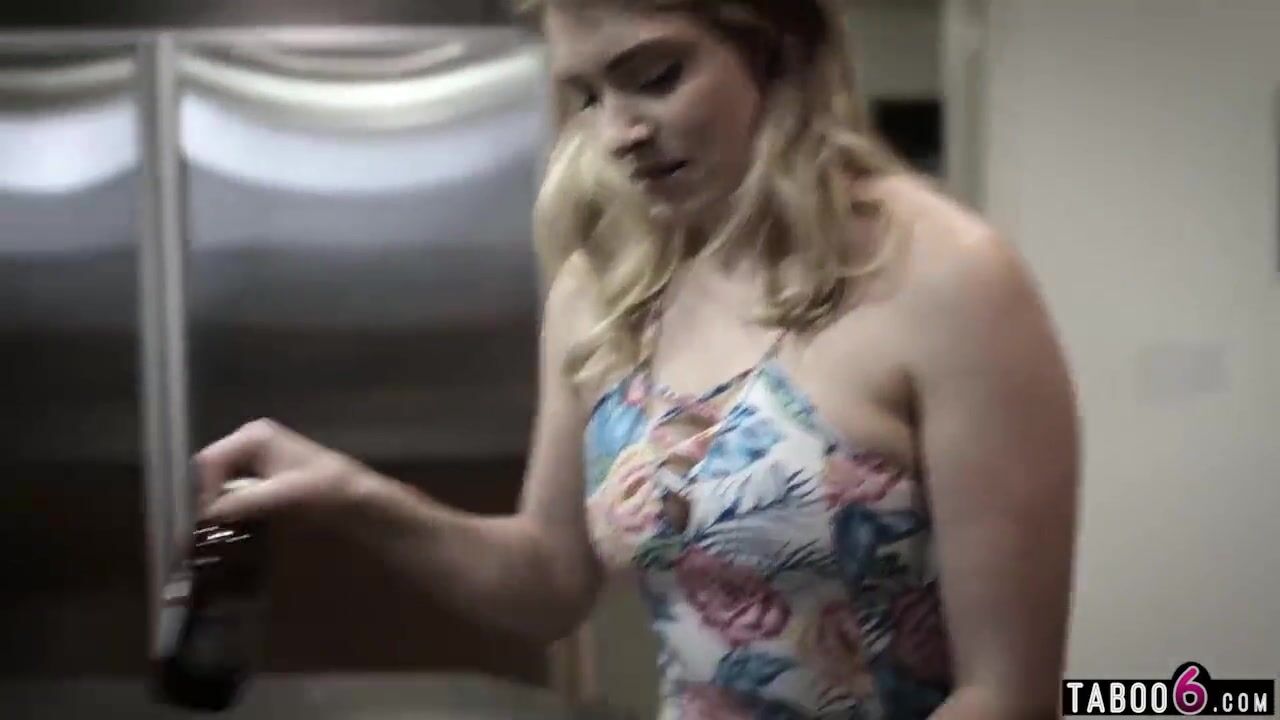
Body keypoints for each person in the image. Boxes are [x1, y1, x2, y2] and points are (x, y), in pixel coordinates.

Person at [195, 1, 1080, 718]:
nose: (618, 132)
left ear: (776, 43)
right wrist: (351, 494)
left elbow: (1008, 695)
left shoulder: (948, 278)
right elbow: (548, 583)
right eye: (587, 95)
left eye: (655, 77)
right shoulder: (607, 288)